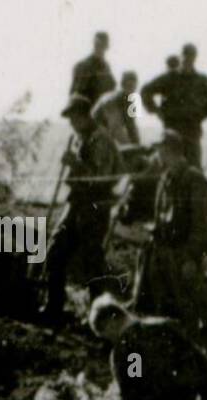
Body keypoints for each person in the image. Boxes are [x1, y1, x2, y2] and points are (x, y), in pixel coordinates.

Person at [133, 130, 207, 365]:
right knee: (163, 301)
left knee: (190, 303)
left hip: (182, 252)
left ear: (170, 150)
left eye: (160, 150)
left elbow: (199, 225)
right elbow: (160, 214)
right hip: (163, 249)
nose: (156, 155)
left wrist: (191, 257)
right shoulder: (165, 178)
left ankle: (199, 352)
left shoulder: (193, 179)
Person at [43, 94, 123, 324]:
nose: (71, 122)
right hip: (76, 203)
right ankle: (53, 307)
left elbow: (102, 179)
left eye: (74, 117)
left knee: (92, 263)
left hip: (95, 207)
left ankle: (99, 319)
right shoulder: (81, 138)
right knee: (56, 251)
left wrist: (75, 164)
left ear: (85, 116)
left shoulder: (102, 141)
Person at [141, 44, 207, 167]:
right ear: (181, 57)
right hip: (172, 130)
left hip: (192, 131)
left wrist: (202, 115)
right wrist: (156, 110)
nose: (187, 60)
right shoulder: (170, 78)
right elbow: (145, 91)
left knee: (193, 169)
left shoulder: (202, 81)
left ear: (195, 58)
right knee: (169, 168)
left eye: (190, 56)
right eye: (185, 55)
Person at [92, 71, 140, 146]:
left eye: (132, 86)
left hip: (108, 130)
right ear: (122, 85)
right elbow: (115, 128)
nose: (130, 89)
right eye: (128, 85)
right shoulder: (111, 100)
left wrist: (138, 146)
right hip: (95, 130)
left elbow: (131, 127)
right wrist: (131, 146)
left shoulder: (130, 101)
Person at [70, 31, 114, 102]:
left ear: (106, 46)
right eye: (97, 44)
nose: (99, 47)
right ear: (94, 44)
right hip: (85, 107)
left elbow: (111, 89)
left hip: (102, 109)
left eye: (102, 45)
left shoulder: (106, 68)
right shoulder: (83, 66)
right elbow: (76, 94)